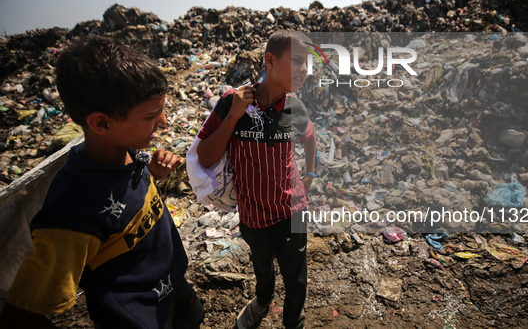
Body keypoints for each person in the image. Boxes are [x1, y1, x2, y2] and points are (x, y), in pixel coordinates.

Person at [0, 36, 203, 329]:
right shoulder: (71, 213)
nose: (164, 121)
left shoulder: (126, 151)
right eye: (151, 115)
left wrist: (153, 176)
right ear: (102, 123)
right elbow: (20, 315)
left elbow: (129, 211)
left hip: (173, 286)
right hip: (136, 317)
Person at [196, 30, 316, 329]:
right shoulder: (232, 102)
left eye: (307, 63)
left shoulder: (296, 108)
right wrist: (234, 116)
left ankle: (293, 321)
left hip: (295, 210)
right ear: (270, 61)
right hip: (253, 214)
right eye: (297, 60)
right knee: (262, 268)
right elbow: (206, 158)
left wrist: (311, 173)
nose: (304, 70)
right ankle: (262, 300)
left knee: (297, 276)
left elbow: (310, 136)